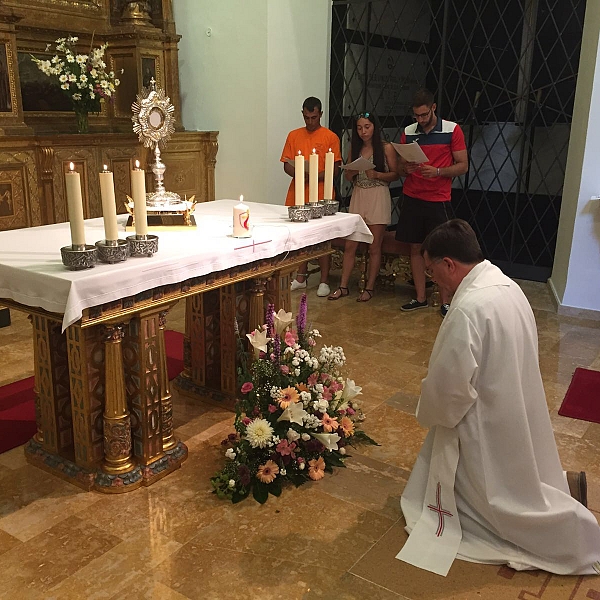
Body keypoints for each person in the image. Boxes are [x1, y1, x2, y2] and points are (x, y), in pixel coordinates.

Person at [397, 219, 600, 577]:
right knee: (520, 474)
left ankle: (565, 531)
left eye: (432, 271)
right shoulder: (506, 285)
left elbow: (450, 386)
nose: (434, 281)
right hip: (514, 403)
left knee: (499, 502)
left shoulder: (467, 309)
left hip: (484, 420)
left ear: (449, 264)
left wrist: (429, 410)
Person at [395, 88, 468, 317]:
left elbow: (463, 165)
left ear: (433, 108)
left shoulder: (452, 129)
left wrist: (437, 171)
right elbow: (399, 166)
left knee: (442, 249)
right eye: (417, 116)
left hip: (438, 198)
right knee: (415, 247)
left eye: (424, 115)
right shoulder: (409, 131)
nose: (421, 120)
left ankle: (445, 301)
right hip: (413, 196)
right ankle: (420, 297)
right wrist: (404, 168)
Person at [328, 112, 398, 302]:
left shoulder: (386, 148)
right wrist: (351, 172)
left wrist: (377, 175)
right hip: (359, 195)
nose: (363, 131)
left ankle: (369, 287)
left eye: (367, 127)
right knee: (351, 244)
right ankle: (343, 286)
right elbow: (348, 176)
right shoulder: (355, 149)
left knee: (374, 246)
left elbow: (395, 174)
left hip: (378, 195)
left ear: (374, 127)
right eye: (359, 128)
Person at [281, 97, 342, 297]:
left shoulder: (330, 137)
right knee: (299, 238)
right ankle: (300, 276)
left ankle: (324, 280)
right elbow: (286, 164)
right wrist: (300, 173)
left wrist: (314, 174)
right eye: (306, 117)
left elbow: (335, 168)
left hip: (321, 191)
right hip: (299, 191)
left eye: (314, 117)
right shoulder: (293, 135)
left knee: (322, 238)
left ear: (321, 114)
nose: (310, 122)